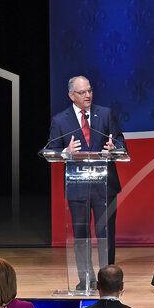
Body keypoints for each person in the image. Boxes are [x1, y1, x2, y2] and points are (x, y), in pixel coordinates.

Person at [46, 76, 127, 291]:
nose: (88, 95)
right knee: (81, 235)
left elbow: (120, 141)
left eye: (90, 91)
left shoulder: (106, 113)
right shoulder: (60, 120)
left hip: (104, 186)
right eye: (82, 92)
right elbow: (50, 150)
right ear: (71, 95)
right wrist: (66, 152)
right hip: (78, 187)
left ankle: (109, 280)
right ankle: (86, 279)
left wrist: (114, 147)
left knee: (105, 234)